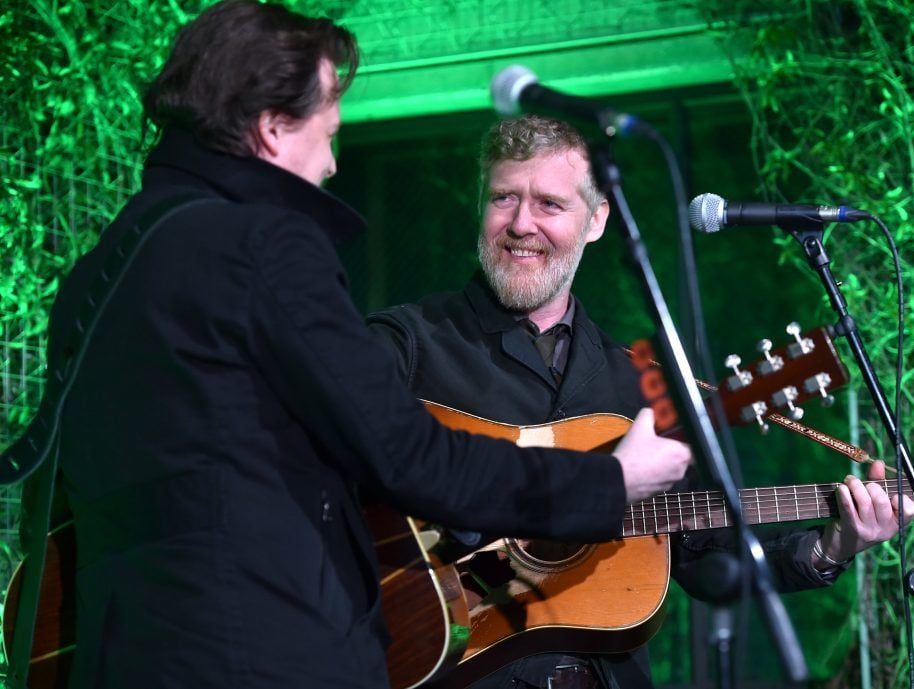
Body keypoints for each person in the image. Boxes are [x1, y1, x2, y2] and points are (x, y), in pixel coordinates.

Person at [29, 5, 692, 689]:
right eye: (328, 133)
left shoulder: (98, 273)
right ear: (273, 127)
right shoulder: (265, 244)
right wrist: (608, 483)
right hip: (262, 656)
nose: (333, 162)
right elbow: (411, 455)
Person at [366, 115, 914, 689]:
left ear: (598, 220)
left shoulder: (641, 385)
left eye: (549, 204)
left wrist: (834, 544)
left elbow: (707, 557)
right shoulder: (406, 345)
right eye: (504, 198)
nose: (521, 224)